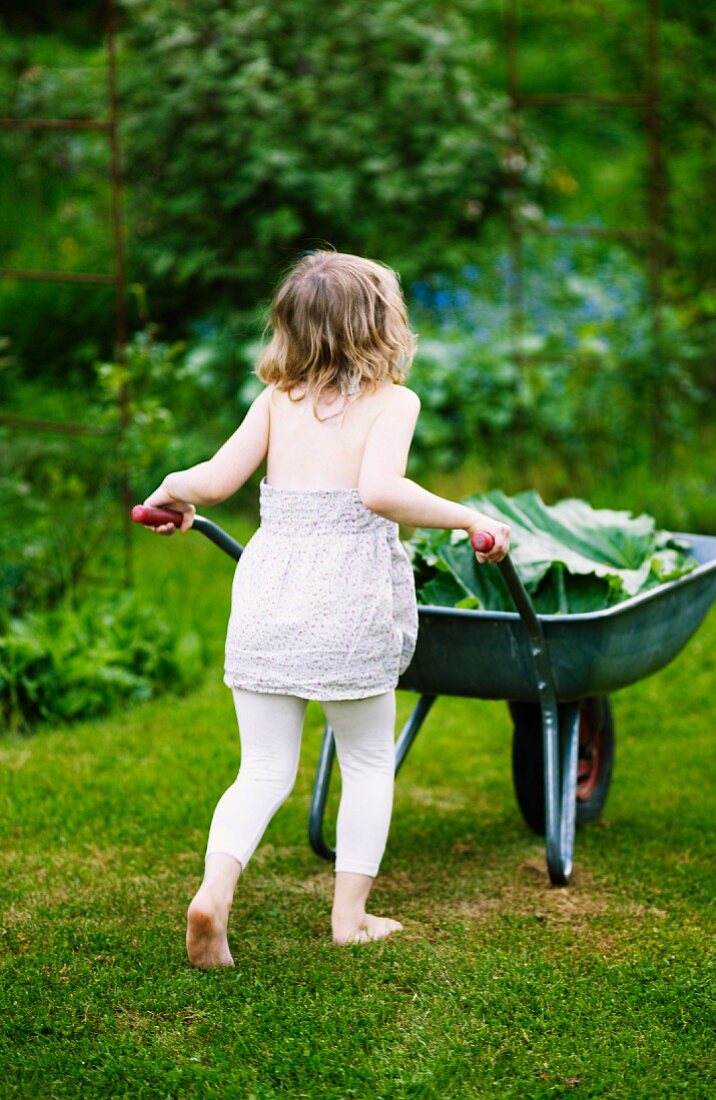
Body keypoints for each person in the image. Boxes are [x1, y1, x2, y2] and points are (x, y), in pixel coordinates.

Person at [141, 250, 510, 968]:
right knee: (369, 760)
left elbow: (213, 481)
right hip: (347, 601)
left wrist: (169, 489)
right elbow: (379, 492)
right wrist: (467, 518)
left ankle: (213, 895)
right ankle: (350, 918)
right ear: (381, 326)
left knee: (262, 770)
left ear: (291, 330)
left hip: (270, 593)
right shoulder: (393, 402)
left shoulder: (275, 400)